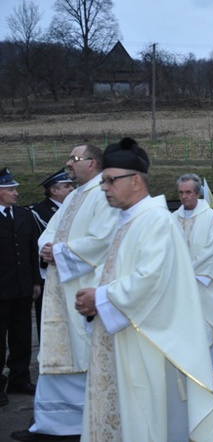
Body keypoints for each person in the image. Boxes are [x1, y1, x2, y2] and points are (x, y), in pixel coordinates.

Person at [74, 137, 213, 441]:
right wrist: (95, 295)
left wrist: (100, 297)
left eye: (110, 180)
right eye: (103, 181)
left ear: (136, 182)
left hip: (148, 343)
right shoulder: (128, 220)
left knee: (148, 419)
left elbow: (149, 280)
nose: (104, 187)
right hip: (125, 337)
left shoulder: (156, 221)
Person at [12, 145, 121, 442]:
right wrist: (45, 248)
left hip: (82, 286)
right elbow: (50, 231)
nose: (68, 164)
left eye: (75, 159)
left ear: (94, 163)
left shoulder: (104, 194)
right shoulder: (73, 196)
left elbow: (103, 239)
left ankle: (84, 421)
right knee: (57, 352)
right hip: (61, 286)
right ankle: (50, 423)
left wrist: (58, 252)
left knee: (82, 353)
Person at [173, 173, 213, 374]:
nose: (184, 197)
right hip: (179, 284)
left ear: (198, 193)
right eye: (181, 193)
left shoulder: (211, 217)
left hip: (204, 282)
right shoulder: (172, 218)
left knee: (208, 322)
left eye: (189, 192)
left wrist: (188, 269)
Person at [0, 168, 41, 409]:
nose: (16, 193)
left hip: (23, 288)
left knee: (22, 337)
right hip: (1, 291)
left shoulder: (24, 216)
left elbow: (31, 251)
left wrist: (36, 281)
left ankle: (19, 379)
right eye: (11, 190)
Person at [26, 169, 75, 340]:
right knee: (49, 320)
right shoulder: (38, 212)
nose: (72, 189)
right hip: (49, 272)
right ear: (54, 191)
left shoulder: (75, 208)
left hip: (74, 270)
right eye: (67, 186)